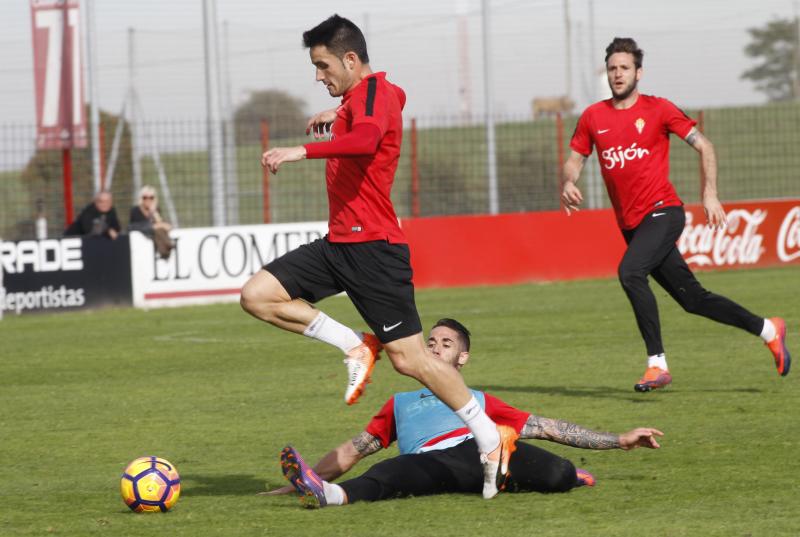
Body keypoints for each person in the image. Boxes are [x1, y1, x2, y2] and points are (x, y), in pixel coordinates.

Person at [239, 14, 515, 499]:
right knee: (257, 296)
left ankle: (488, 437)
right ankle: (355, 344)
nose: (318, 76)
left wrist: (299, 150)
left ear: (350, 59)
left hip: (375, 251)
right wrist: (339, 113)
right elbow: (378, 110)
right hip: (339, 244)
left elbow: (368, 139)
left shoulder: (373, 95)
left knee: (412, 362)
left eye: (323, 66)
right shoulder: (367, 97)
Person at [560, 37, 791, 392]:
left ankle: (657, 364)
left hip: (664, 212)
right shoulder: (594, 116)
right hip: (632, 225)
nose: (617, 74)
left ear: (639, 73)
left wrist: (710, 193)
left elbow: (705, 145)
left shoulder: (659, 109)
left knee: (630, 272)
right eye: (612, 68)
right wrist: (568, 181)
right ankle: (769, 330)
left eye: (624, 68)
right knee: (692, 299)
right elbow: (575, 159)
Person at [268, 319, 663, 508]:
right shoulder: (400, 402)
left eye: (446, 343)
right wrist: (308, 477)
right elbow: (354, 450)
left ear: (462, 357)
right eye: (432, 342)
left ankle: (571, 476)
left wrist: (619, 440)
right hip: (430, 464)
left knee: (558, 472)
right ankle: (324, 494)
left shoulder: (479, 400)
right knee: (386, 474)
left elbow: (546, 426)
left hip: (481, 451)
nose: (436, 347)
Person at [129, 185, 174, 259]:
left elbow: (160, 223)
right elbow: (134, 226)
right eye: (145, 197)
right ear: (141, 198)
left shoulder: (156, 209)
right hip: (140, 237)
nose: (148, 200)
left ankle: (165, 250)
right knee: (158, 229)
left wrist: (154, 212)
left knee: (159, 230)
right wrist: (154, 226)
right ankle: (168, 245)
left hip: (154, 236)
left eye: (151, 197)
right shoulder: (135, 210)